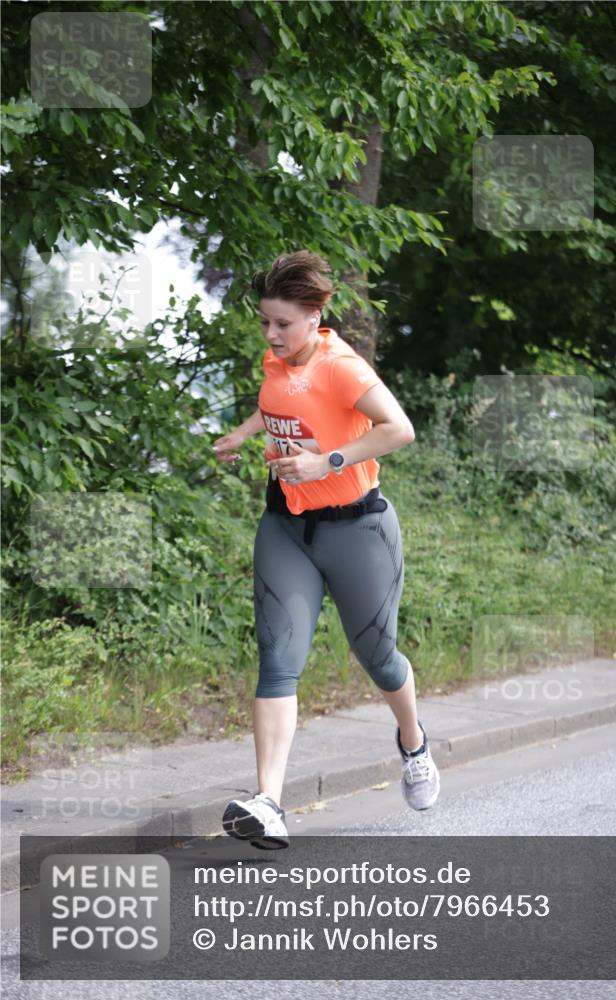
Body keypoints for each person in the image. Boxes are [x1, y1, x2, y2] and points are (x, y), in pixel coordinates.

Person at [213, 250, 439, 849]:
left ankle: (414, 743)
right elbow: (280, 403)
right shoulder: (279, 358)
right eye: (265, 322)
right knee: (277, 658)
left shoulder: (343, 368)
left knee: (378, 656)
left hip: (358, 530)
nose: (270, 334)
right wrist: (243, 432)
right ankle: (268, 803)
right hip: (287, 527)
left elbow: (400, 429)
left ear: (315, 318)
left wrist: (327, 461)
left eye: (282, 323)